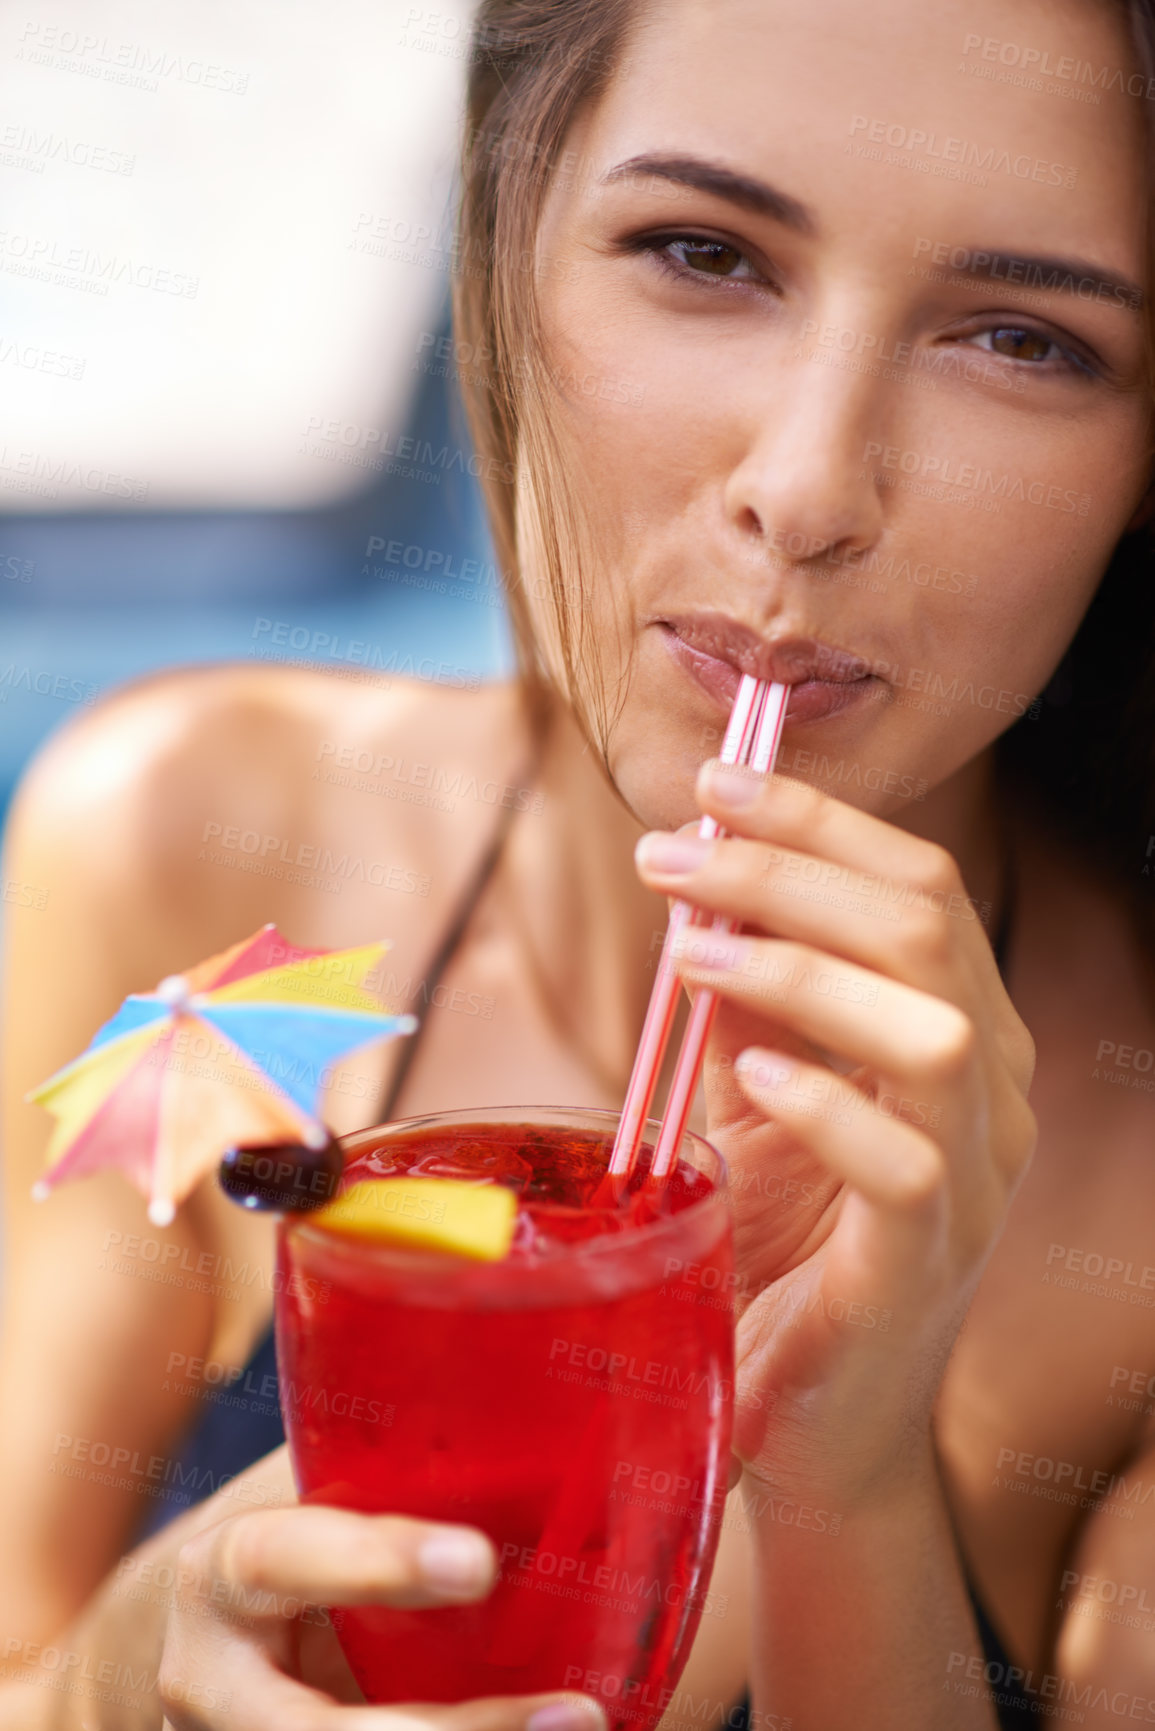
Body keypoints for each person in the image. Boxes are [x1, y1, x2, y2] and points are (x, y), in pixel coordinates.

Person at [2, 0, 1154, 1726]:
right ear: (499, 252)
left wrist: (842, 1469)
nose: (810, 486)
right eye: (704, 251)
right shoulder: (182, 850)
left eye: (1024, 340)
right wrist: (117, 1672)